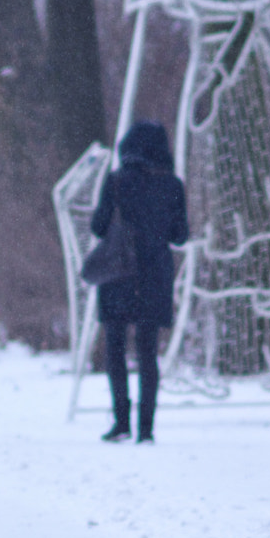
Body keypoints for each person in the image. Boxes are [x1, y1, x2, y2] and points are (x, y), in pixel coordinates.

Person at [91, 120, 189, 444]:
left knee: (115, 348)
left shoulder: (117, 182)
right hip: (155, 276)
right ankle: (146, 428)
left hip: (119, 273)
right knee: (148, 353)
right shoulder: (173, 186)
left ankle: (121, 421)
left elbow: (98, 226)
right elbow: (180, 235)